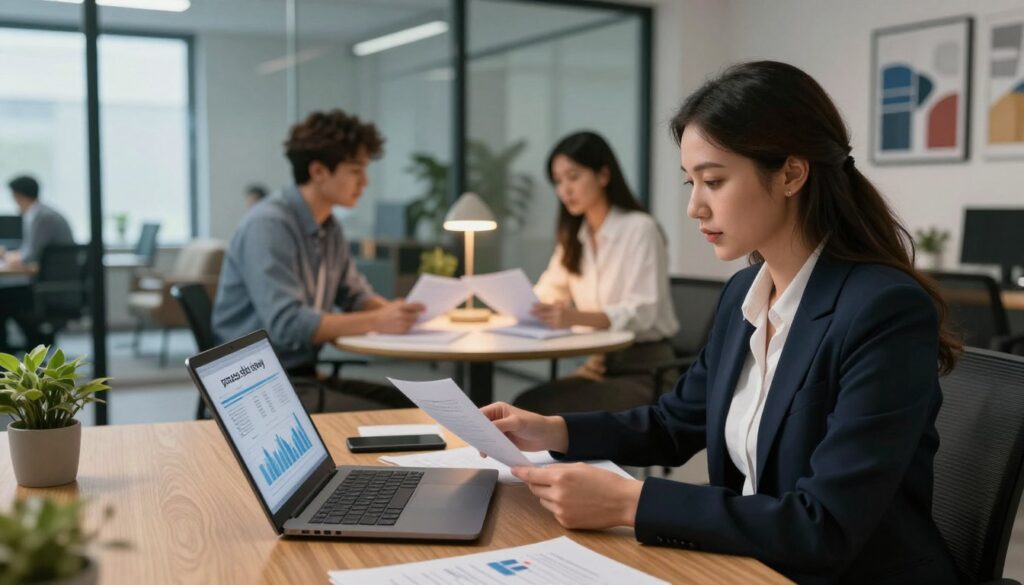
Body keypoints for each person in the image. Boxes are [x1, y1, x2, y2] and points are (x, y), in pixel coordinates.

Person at [482, 61, 961, 584]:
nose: (693, 207)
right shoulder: (743, 294)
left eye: (713, 181)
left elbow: (823, 526)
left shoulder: (882, 309)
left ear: (791, 174)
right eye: (691, 182)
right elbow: (674, 423)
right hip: (748, 566)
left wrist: (631, 502)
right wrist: (552, 430)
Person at [213, 110, 424, 411]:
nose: (365, 182)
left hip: (300, 377)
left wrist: (392, 311)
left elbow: (353, 294)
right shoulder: (269, 225)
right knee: (405, 420)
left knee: (421, 408)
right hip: (257, 389)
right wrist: (379, 320)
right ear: (318, 172)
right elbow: (287, 325)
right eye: (355, 170)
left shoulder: (327, 226)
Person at [512, 131, 679, 414]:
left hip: (646, 372)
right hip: (598, 364)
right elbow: (549, 291)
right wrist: (525, 304)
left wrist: (572, 317)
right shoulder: (575, 238)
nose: (564, 190)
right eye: (558, 181)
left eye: (573, 177)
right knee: (522, 406)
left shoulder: (640, 229)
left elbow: (643, 311)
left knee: (533, 410)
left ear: (603, 175)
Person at [0, 175, 75, 350]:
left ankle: (25, 346)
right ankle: (30, 342)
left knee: (4, 298)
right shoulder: (41, 213)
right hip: (49, 283)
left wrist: (6, 256)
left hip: (51, 288)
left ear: (17, 195)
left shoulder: (42, 217)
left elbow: (29, 256)